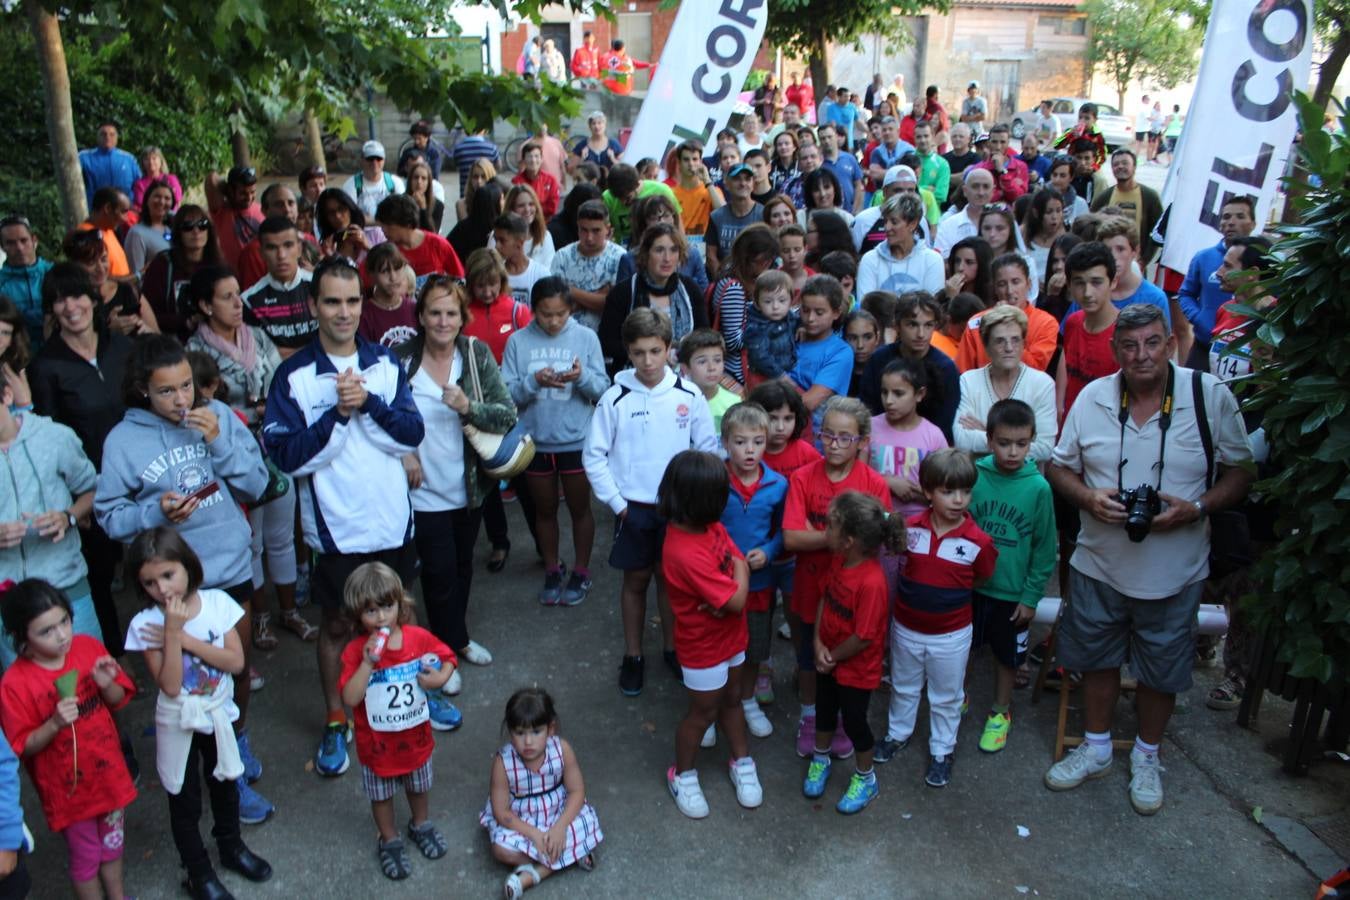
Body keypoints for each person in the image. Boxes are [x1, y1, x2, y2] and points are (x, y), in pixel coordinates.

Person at [1044, 304, 1253, 814]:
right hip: (1098, 563)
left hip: (1175, 571)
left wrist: (1197, 507)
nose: (1141, 355)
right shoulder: (1093, 397)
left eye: (1152, 343)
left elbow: (1242, 472)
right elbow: (1058, 467)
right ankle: (1095, 747)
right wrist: (1089, 498)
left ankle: (1146, 754)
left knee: (1163, 670)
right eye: (1130, 345)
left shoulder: (1208, 396)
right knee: (1095, 658)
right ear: (1115, 350)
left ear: (1170, 343)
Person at [94, 332, 274, 820]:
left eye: (187, 387)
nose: (181, 400)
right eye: (167, 391)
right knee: (188, 685)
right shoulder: (124, 441)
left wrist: (218, 440)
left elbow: (259, 484)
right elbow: (109, 514)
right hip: (171, 586)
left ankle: (236, 752)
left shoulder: (217, 419)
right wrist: (154, 511)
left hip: (229, 564)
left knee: (234, 670)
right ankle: (203, 778)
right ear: (142, 391)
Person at [262, 257, 426, 779]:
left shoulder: (384, 363)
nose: (344, 311)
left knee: (402, 614)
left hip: (392, 521)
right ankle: (338, 717)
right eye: (332, 301)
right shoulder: (292, 376)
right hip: (336, 533)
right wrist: (337, 413)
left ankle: (415, 695)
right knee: (336, 626)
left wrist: (369, 404)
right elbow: (287, 459)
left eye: (353, 300)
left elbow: (410, 433)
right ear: (313, 305)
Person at [122, 528, 273, 899]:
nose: (162, 588)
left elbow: (236, 661)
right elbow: (170, 685)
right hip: (179, 719)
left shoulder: (217, 603)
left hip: (217, 710)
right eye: (150, 582)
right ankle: (198, 870)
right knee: (184, 796)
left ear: (187, 565)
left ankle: (231, 846)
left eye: (168, 574)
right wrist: (171, 634)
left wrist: (185, 638)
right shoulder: (145, 625)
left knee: (224, 782)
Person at [583, 308, 719, 697]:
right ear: (628, 351)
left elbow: (706, 450)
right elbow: (594, 456)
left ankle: (672, 650)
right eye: (639, 352)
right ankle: (633, 655)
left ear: (669, 350)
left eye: (655, 351)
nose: (647, 361)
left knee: (671, 581)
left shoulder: (688, 395)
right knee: (635, 581)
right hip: (634, 508)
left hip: (678, 510)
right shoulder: (615, 398)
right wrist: (618, 504)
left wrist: (693, 503)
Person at [394, 277, 511, 696]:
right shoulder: (399, 360)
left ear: (463, 318)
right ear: (421, 316)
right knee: (439, 574)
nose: (443, 321)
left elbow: (506, 414)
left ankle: (456, 638)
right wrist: (403, 452)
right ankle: (443, 655)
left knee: (463, 567)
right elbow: (380, 419)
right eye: (434, 312)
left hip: (469, 488)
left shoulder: (476, 355)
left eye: (451, 313)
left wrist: (469, 406)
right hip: (421, 492)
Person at [0, 580, 136, 898]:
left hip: (109, 777)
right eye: (46, 631)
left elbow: (118, 700)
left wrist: (107, 684)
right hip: (69, 791)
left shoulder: (88, 648)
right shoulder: (14, 683)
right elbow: (22, 746)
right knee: (86, 857)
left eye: (64, 621)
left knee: (113, 845)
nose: (62, 635)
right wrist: (54, 724)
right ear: (22, 637)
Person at [873, 449, 997, 787]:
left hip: (951, 635)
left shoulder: (979, 542)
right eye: (948, 491)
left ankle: (942, 749)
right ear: (927, 491)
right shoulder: (908, 529)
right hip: (906, 628)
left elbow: (982, 577)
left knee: (947, 696)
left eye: (965, 491)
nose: (959, 500)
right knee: (904, 685)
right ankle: (898, 733)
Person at [782, 396, 890, 758]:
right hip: (809, 585)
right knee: (809, 658)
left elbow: (874, 542)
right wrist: (842, 537)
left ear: (862, 442)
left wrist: (818, 534)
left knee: (844, 659)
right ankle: (811, 717)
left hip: (853, 592)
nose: (834, 444)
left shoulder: (873, 484)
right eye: (828, 434)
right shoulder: (802, 476)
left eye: (845, 437)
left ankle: (841, 720)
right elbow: (791, 538)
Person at [657, 450, 762, 818]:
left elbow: (736, 558)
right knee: (702, 713)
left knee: (732, 700)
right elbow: (737, 596)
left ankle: (741, 761)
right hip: (703, 647)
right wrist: (739, 579)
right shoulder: (684, 550)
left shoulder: (707, 526)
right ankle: (682, 773)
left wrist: (736, 579)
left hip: (733, 638)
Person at [336, 562, 454, 880]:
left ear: (401, 603)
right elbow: (350, 698)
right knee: (382, 795)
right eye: (370, 611)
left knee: (418, 787)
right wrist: (366, 663)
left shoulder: (417, 639)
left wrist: (437, 679)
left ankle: (421, 824)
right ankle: (389, 840)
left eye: (387, 606)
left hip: (415, 739)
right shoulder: (354, 651)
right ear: (357, 615)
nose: (381, 617)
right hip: (376, 747)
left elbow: (447, 659)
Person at [503, 276, 608, 606]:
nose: (553, 321)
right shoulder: (518, 342)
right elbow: (507, 396)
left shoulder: (586, 337)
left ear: (571, 309)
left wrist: (581, 378)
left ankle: (581, 570)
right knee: (543, 511)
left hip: (576, 440)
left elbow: (603, 389)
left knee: (580, 509)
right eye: (546, 314)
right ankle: (551, 568)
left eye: (561, 314)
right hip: (534, 443)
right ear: (533, 310)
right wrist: (533, 381)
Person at [966, 400, 1056, 753]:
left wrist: (1031, 596)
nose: (1013, 451)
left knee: (1007, 658)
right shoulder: (976, 475)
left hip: (1011, 593)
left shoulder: (1039, 489)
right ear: (989, 440)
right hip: (972, 587)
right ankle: (958, 698)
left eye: (1021, 443)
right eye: (1004, 443)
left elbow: (1045, 549)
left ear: (1032, 441)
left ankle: (1000, 712)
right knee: (965, 650)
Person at [797, 491, 893, 814]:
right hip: (829, 659)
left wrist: (832, 655)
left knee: (854, 723)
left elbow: (863, 637)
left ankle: (866, 778)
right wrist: (817, 643)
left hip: (855, 669)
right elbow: (824, 597)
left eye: (831, 527)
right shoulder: (839, 561)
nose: (826, 532)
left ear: (849, 540)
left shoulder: (872, 583)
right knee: (824, 711)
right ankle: (820, 758)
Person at [0, 366, 101, 665]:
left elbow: (94, 490)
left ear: (7, 395)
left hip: (65, 582)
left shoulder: (53, 436)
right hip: (6, 596)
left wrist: (68, 516)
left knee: (93, 676)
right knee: (25, 698)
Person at [482, 688, 602, 896]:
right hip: (522, 821)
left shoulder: (562, 749)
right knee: (501, 848)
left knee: (588, 822)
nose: (528, 742)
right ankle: (573, 855)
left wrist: (560, 828)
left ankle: (531, 876)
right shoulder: (503, 762)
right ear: (510, 732)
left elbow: (577, 791)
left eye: (536, 732)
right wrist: (535, 834)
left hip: (559, 813)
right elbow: (501, 813)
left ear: (550, 729)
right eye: (520, 733)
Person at [715, 403, 788, 740]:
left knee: (754, 646)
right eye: (740, 442)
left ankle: (746, 700)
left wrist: (769, 552)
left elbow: (781, 531)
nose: (749, 450)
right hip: (720, 583)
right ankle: (715, 707)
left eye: (757, 442)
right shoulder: (715, 481)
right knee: (719, 646)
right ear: (725, 442)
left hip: (760, 582)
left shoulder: (778, 485)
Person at [953, 304, 1057, 460]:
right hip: (979, 480)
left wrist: (987, 432)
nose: (1009, 348)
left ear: (1023, 344)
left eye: (1015, 340)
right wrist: (1021, 441)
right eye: (1000, 341)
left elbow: (1044, 449)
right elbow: (961, 440)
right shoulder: (969, 381)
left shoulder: (1042, 384)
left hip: (1025, 482)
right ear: (986, 347)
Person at [598, 225, 707, 373]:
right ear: (645, 254)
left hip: (682, 373)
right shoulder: (623, 292)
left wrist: (679, 353)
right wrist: (651, 355)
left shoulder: (690, 289)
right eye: (659, 250)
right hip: (634, 373)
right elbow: (608, 342)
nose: (667, 258)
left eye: (673, 250)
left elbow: (703, 336)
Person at [859, 291, 961, 443]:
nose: (921, 334)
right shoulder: (878, 360)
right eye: (912, 324)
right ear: (897, 325)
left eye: (928, 325)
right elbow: (867, 410)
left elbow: (944, 426)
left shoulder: (946, 368)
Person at [1178, 195, 1257, 367]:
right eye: (1226, 217)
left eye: (1240, 216)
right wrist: (1199, 317)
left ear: (1253, 224)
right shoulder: (1202, 257)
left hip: (1245, 354)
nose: (1231, 222)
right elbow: (1185, 294)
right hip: (1204, 347)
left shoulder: (1265, 261)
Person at [869, 356, 949, 522]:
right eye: (884, 392)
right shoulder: (869, 427)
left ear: (919, 394)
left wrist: (922, 493)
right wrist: (887, 482)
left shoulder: (933, 436)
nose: (889, 401)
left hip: (920, 525)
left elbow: (946, 488)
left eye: (898, 394)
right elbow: (857, 474)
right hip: (874, 521)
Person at [955, 254, 1057, 372]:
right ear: (994, 289)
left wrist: (1010, 322)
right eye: (1002, 284)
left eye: (1016, 282)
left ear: (1028, 284)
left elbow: (1035, 368)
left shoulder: (1046, 323)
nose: (1009, 291)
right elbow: (962, 373)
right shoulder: (975, 324)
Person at [1056, 242, 1120, 421]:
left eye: (1096, 282)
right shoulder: (1073, 322)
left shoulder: (1125, 333)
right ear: (1069, 285)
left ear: (1113, 282)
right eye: (1079, 283)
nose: (1087, 292)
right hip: (1069, 427)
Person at [240, 216, 316, 357]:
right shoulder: (249, 301)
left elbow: (336, 343)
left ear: (299, 249)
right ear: (261, 253)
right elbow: (259, 357)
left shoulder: (321, 287)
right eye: (272, 248)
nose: (281, 255)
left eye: (288, 245)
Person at [62, 228, 158, 338]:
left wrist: (146, 330)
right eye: (91, 263)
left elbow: (158, 337)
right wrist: (107, 331)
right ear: (75, 266)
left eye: (103, 259)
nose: (100, 268)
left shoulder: (128, 291)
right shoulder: (70, 303)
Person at [549, 199, 625, 333]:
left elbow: (614, 304)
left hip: (606, 337)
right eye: (584, 230)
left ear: (607, 229)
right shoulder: (562, 257)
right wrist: (597, 296)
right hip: (568, 335)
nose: (589, 237)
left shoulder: (620, 257)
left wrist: (569, 289)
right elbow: (555, 306)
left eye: (596, 231)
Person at [857, 194, 944, 298]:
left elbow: (932, 307)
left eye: (894, 222)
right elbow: (866, 306)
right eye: (885, 221)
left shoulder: (932, 260)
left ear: (912, 224)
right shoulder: (870, 260)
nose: (887, 227)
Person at [374, 195, 465, 289]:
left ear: (407, 224)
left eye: (389, 225)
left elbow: (460, 280)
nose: (383, 230)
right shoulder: (388, 252)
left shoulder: (438, 244)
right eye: (382, 225)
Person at [1090, 149, 1163, 264]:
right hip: (1108, 262)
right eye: (1116, 164)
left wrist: (1144, 260)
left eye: (1125, 163)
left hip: (1137, 263)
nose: (1120, 166)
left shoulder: (1150, 196)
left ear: (1134, 167)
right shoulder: (1104, 197)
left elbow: (1157, 231)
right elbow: (1092, 228)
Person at [0, 215, 52, 349]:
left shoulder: (54, 273)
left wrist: (21, 316)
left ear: (34, 240)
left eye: (24, 240)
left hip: (59, 354)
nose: (19, 248)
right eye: (10, 243)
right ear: (2, 247)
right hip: (17, 358)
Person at [705, 164, 765, 280]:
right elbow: (710, 255)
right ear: (726, 183)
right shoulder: (716, 216)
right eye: (737, 179)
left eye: (747, 179)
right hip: (725, 281)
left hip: (756, 281)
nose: (743, 183)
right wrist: (721, 280)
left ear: (753, 184)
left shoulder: (763, 214)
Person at [677, 328, 739, 437]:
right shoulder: (677, 403)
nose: (711, 368)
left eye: (717, 360)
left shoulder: (734, 404)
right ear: (685, 368)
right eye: (702, 361)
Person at [358, 242, 418, 348]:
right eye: (385, 271)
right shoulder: (364, 316)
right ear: (371, 275)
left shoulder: (415, 309)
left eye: (397, 268)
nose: (393, 277)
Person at [205, 167, 263, 271]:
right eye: (243, 193)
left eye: (252, 192)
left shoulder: (261, 209)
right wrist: (227, 190)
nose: (249, 198)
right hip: (233, 278)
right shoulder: (220, 211)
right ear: (230, 191)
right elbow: (212, 178)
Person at [665, 140, 725, 238]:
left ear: (701, 162)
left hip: (704, 248)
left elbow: (724, 214)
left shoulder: (712, 190)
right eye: (686, 159)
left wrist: (708, 181)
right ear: (679, 163)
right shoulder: (670, 193)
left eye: (695, 159)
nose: (691, 163)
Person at [79, 121, 141, 210]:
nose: (107, 137)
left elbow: (139, 185)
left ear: (117, 138)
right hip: (96, 211)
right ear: (97, 137)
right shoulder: (84, 157)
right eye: (103, 134)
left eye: (112, 134)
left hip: (125, 213)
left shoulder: (128, 159)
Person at [934, 168, 993, 257]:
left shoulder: (1004, 222)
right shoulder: (947, 225)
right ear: (965, 191)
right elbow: (942, 260)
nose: (981, 192)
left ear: (993, 191)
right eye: (975, 186)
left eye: (986, 187)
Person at [496, 185, 557, 268]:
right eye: (521, 206)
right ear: (511, 209)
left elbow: (550, 270)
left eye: (531, 204)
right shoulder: (498, 236)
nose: (527, 209)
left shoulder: (545, 236)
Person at [343, 141, 406, 221]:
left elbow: (403, 212)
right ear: (362, 160)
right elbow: (350, 217)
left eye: (379, 158)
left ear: (384, 160)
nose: (374, 162)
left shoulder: (395, 182)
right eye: (370, 158)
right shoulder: (351, 185)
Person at [124, 181, 175, 275]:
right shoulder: (137, 233)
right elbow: (135, 275)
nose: (162, 202)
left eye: (167, 198)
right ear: (147, 200)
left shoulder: (170, 229)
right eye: (157, 196)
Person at [973, 125, 1029, 203]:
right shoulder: (979, 169)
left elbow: (1019, 198)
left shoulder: (1021, 167)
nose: (998, 147)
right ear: (989, 143)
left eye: (1002, 142)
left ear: (1008, 143)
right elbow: (979, 199)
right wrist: (1002, 193)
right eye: (994, 142)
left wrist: (1003, 171)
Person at [817, 124, 863, 215]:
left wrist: (855, 209)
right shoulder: (819, 164)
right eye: (823, 138)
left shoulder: (849, 158)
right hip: (828, 213)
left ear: (836, 137)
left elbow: (858, 186)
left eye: (829, 137)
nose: (827, 141)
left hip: (850, 212)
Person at [1022, 188, 1066, 279]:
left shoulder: (1066, 236)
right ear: (1036, 213)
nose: (1054, 217)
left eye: (1058, 211)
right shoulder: (1022, 234)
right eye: (1049, 212)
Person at [404, 160, 444, 234]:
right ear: (410, 180)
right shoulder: (400, 201)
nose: (419, 182)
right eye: (416, 177)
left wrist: (423, 209)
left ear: (429, 182)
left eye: (423, 178)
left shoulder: (438, 205)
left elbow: (433, 234)